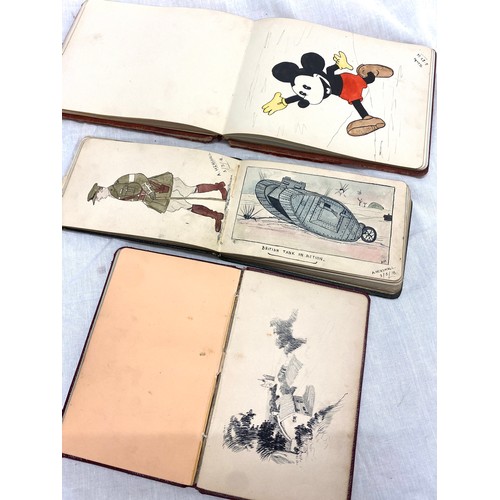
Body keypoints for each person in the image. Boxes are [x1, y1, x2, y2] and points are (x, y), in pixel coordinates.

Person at [87, 172, 227, 232]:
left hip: (159, 188)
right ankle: (216, 213)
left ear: (100, 190)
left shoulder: (118, 183)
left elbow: (139, 177)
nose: (99, 199)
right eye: (97, 199)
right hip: (154, 198)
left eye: (98, 196)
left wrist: (149, 191)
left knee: (189, 193)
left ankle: (218, 190)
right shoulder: (115, 195)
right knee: (187, 204)